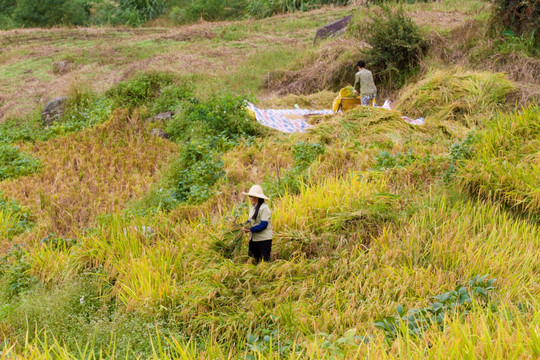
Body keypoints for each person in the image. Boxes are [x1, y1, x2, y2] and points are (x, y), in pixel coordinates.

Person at [241, 185, 272, 263]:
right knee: (253, 261)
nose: (250, 198)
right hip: (253, 239)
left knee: (264, 262)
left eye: (252, 196)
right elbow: (250, 220)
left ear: (258, 197)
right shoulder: (252, 206)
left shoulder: (264, 208)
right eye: (250, 196)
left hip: (263, 240)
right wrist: (244, 226)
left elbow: (263, 224)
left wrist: (250, 229)